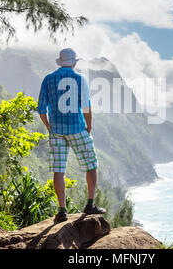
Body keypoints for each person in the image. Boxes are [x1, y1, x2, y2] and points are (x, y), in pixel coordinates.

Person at [37, 48, 106, 222]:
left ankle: (62, 211)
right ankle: (90, 204)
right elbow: (86, 107)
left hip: (56, 130)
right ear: (74, 62)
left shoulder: (48, 79)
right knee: (91, 164)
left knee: (58, 170)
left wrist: (48, 126)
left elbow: (41, 109)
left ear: (60, 62)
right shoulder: (79, 79)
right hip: (77, 127)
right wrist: (89, 126)